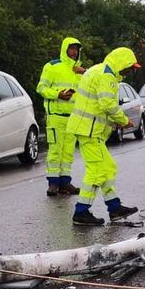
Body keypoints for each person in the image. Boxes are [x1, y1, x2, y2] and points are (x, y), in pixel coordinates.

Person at [66, 47, 141, 226]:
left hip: (89, 130)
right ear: (122, 63)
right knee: (97, 171)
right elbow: (107, 104)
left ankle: (114, 207)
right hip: (89, 131)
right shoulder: (106, 76)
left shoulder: (98, 70)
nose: (129, 72)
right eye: (129, 67)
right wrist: (124, 121)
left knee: (108, 167)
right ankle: (81, 212)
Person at [37, 37, 86, 196]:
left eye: (76, 49)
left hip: (73, 117)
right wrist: (58, 94)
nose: (74, 52)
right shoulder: (52, 66)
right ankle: (53, 183)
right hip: (56, 115)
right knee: (55, 150)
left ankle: (65, 182)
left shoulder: (79, 71)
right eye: (71, 48)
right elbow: (41, 88)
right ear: (65, 49)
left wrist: (84, 72)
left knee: (68, 151)